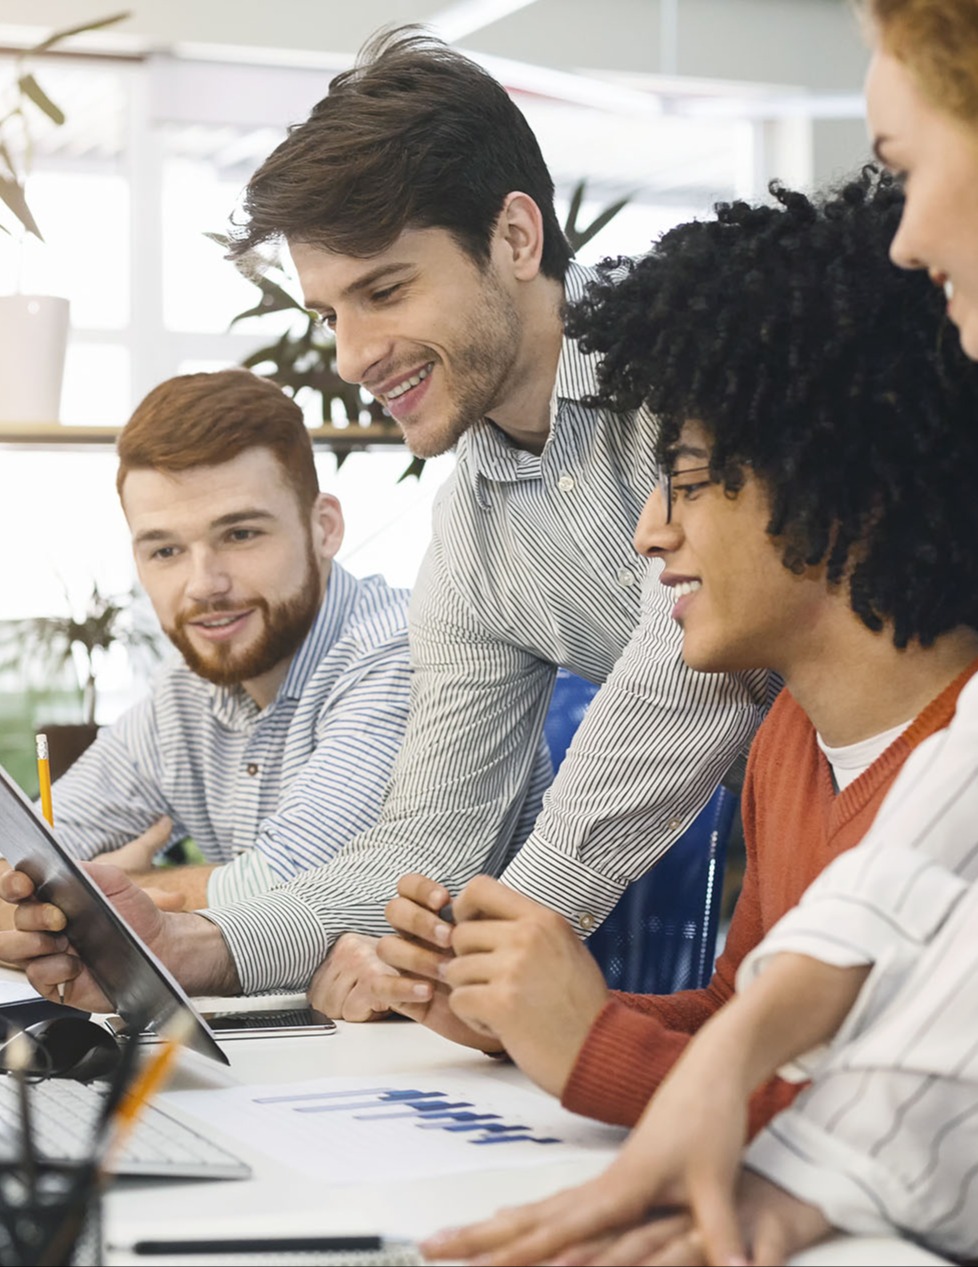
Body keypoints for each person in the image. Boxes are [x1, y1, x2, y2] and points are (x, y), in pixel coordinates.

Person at [0, 26, 771, 1005]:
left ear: (516, 238)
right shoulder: (474, 539)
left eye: (385, 290)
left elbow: (685, 684)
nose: (355, 355)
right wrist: (200, 944)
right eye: (330, 315)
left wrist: (499, 947)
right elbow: (433, 836)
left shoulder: (704, 372)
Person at [415, 3, 978, 1261]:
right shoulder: (788, 741)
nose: (650, 534)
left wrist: (590, 1043)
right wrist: (549, 1007)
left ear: (842, 483)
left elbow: (887, 1126)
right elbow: (753, 1018)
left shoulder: (941, 750)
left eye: (687, 476)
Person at [16, 366, 428, 912]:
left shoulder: (401, 652)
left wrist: (88, 894)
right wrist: (37, 891)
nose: (204, 585)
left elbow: (290, 885)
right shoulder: (184, 696)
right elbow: (22, 858)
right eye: (165, 551)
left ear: (323, 527)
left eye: (240, 534)